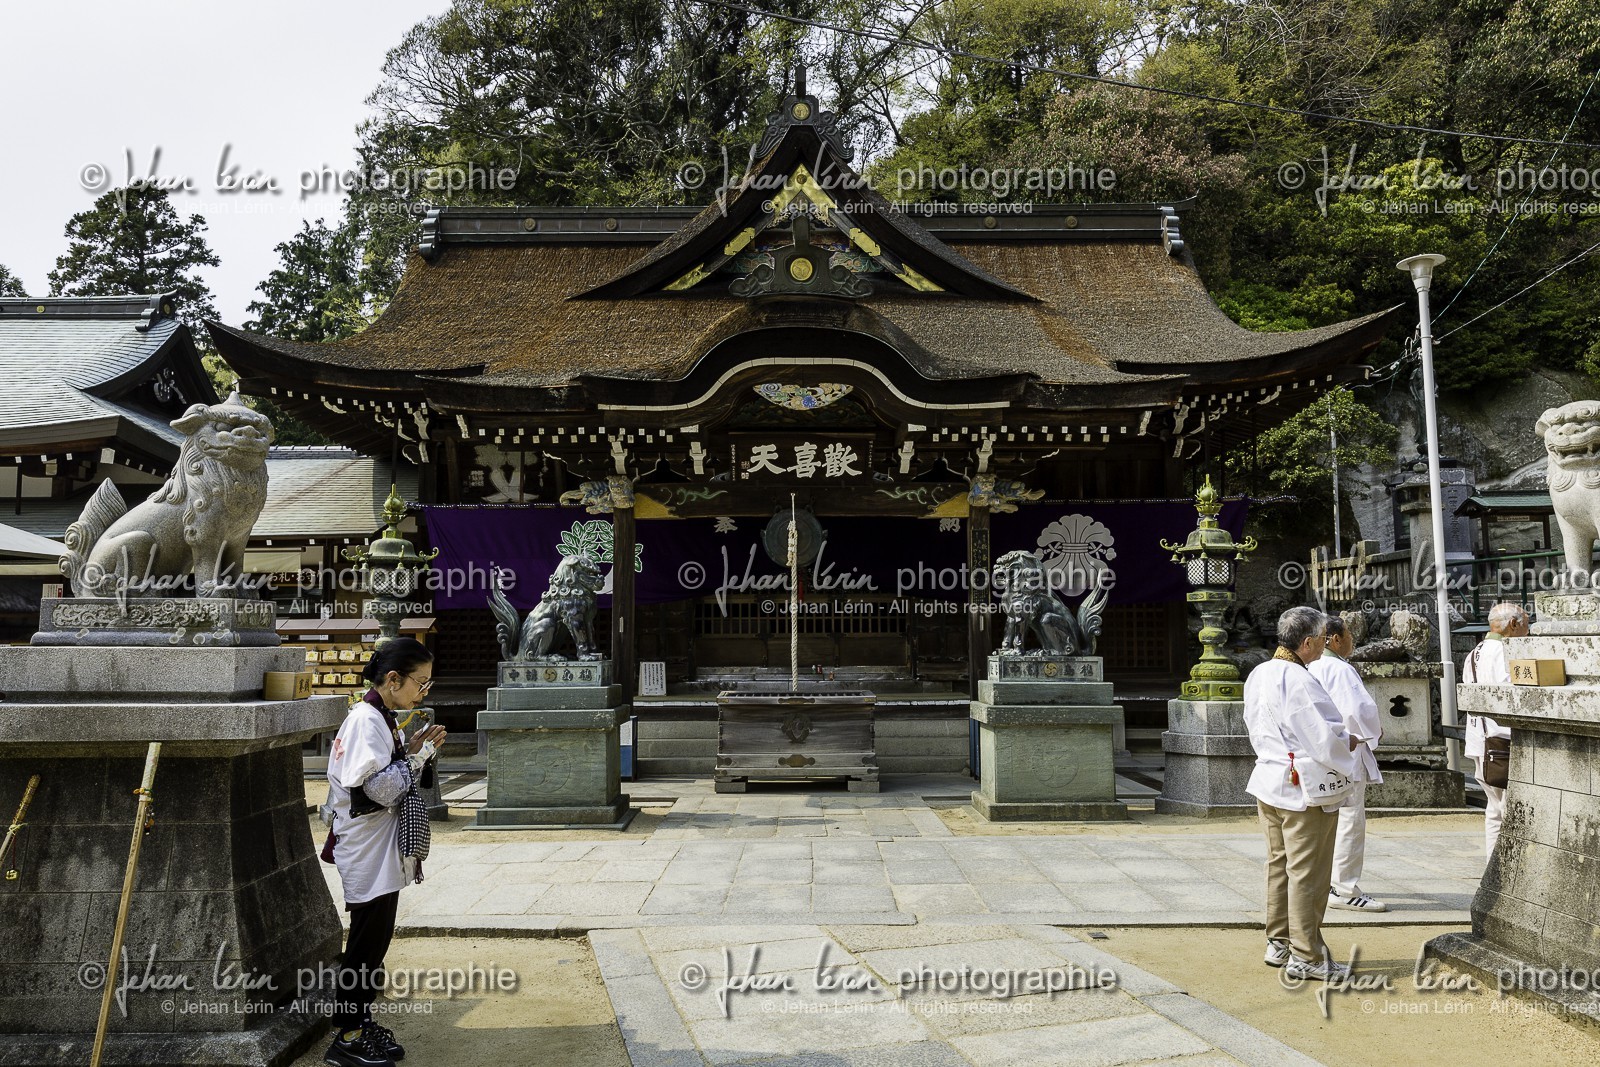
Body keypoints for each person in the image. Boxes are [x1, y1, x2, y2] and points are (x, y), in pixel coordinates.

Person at [322, 638, 447, 1067]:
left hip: (375, 846)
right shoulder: (366, 720)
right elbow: (379, 788)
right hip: (367, 847)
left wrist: (411, 750)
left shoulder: (379, 715)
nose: (422, 692)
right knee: (365, 941)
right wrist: (422, 753)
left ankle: (360, 1020)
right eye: (420, 683)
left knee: (373, 939)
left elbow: (382, 775)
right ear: (393, 679)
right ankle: (348, 1035)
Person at [1243, 606, 1363, 981]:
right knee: (1308, 873)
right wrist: (1350, 742)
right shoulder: (1299, 678)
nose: (1325, 645)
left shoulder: (1259, 673)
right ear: (1308, 642)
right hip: (1302, 785)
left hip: (1269, 778)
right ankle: (1306, 954)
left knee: (1279, 865)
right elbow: (1323, 736)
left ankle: (1279, 942)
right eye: (1323, 638)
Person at [1308, 616, 1387, 912]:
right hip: (1346, 750)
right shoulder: (1340, 669)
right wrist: (1373, 732)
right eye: (1349, 635)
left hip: (1317, 752)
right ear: (1336, 639)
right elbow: (1360, 710)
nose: (1353, 640)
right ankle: (1343, 887)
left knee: (1324, 820)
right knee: (1350, 818)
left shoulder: (1308, 667)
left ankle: (1325, 882)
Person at [1460, 602, 1529, 859]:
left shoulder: (1475, 652)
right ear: (1513, 624)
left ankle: (1493, 867)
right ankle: (1507, 868)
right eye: (1526, 625)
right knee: (1509, 809)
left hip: (1480, 740)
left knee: (1494, 810)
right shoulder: (1502, 651)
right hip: (1500, 742)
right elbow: (1507, 691)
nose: (1528, 632)